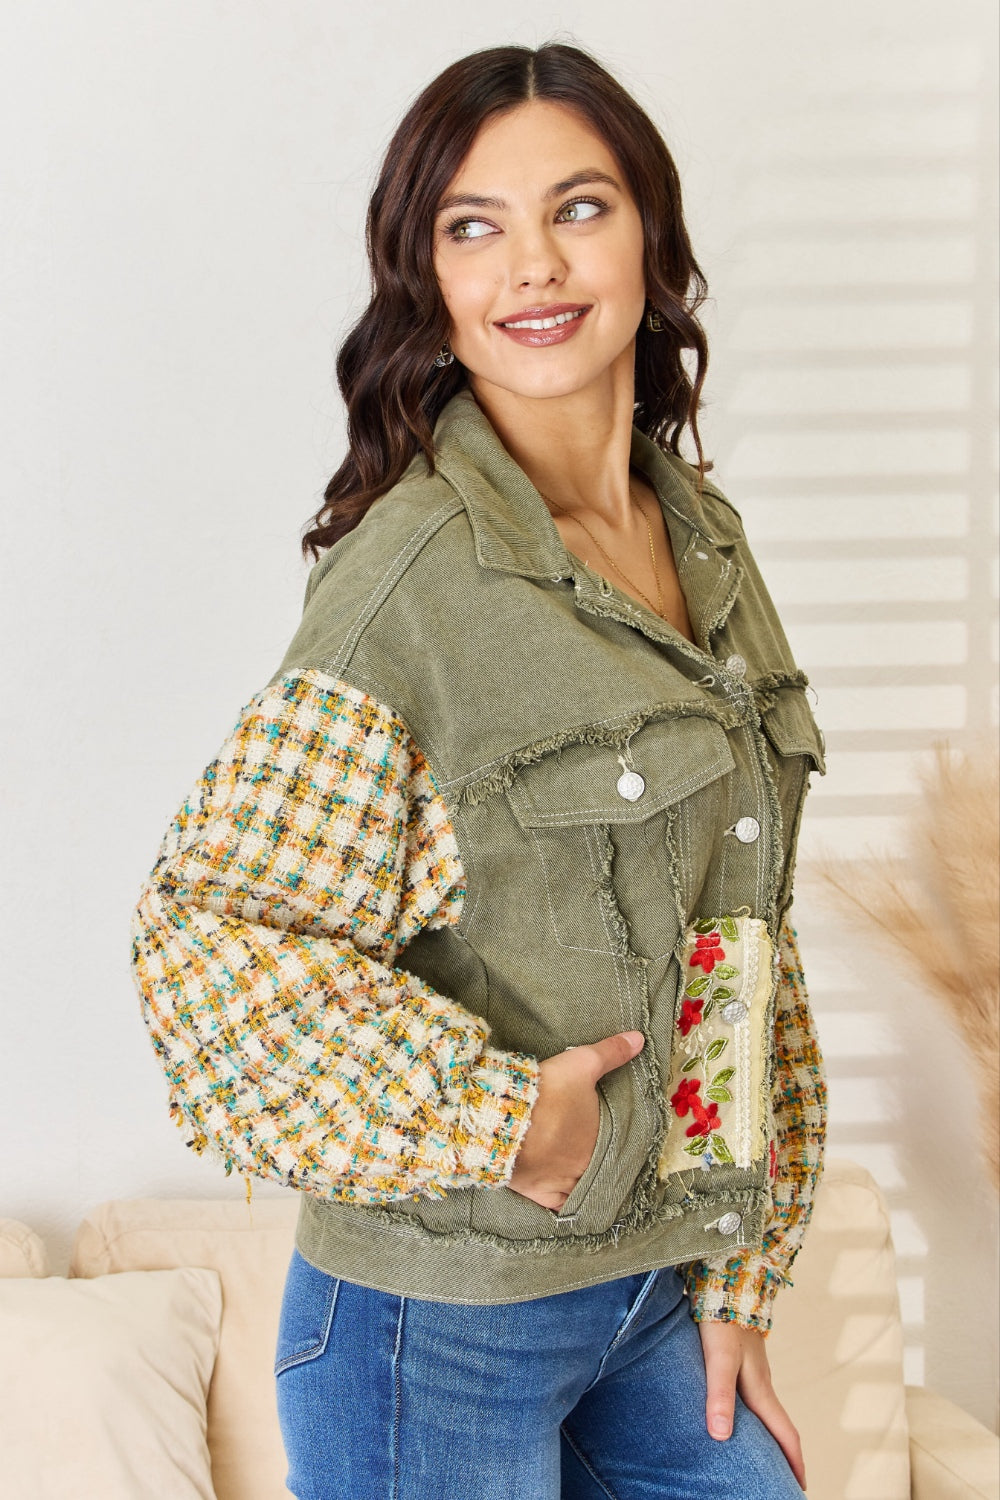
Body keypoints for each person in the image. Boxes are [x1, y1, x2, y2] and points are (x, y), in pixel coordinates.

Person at [130, 40, 828, 1500]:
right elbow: (202, 942)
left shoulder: (702, 540)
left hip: (651, 1297)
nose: (533, 265)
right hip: (435, 1333)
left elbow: (740, 935)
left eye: (578, 208)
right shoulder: (414, 588)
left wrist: (739, 1272)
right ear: (430, 283)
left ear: (651, 236)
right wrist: (500, 1115)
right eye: (473, 226)